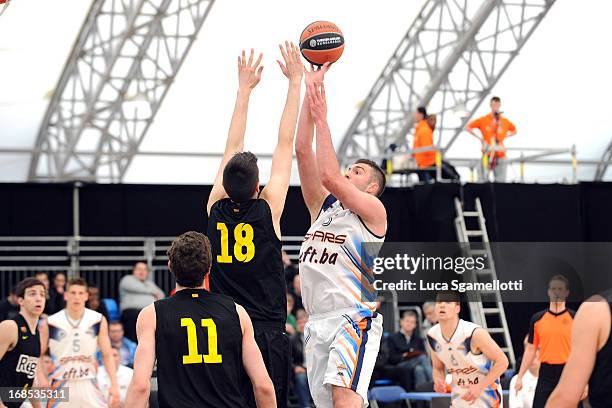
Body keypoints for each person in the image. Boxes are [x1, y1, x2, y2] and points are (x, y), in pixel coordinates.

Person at [205, 43, 303, 408]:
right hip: (264, 328)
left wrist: (243, 91)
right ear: (258, 186)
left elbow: (232, 145)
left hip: (227, 327)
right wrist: (296, 83)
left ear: (225, 184)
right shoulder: (269, 209)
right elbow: (285, 143)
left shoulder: (214, 206)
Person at [296, 67, 387, 408]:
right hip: (317, 321)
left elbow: (330, 175)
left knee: (344, 399)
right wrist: (311, 92)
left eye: (358, 172)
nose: (350, 173)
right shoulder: (323, 208)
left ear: (372, 187)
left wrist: (323, 118)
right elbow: (303, 152)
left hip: (352, 316)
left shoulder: (373, 213)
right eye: (350, 169)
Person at [124, 231, 276, 408]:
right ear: (209, 268)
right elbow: (263, 386)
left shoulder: (152, 314)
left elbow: (141, 387)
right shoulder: (237, 312)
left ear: (170, 266)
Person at [43, 278, 119, 408]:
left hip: (89, 382)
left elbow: (107, 354)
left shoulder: (98, 320)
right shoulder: (51, 322)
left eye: (80, 293)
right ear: (66, 295)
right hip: (61, 383)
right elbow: (37, 354)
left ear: (86, 296)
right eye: (72, 293)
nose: (76, 297)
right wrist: (41, 379)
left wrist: (114, 384)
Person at [428, 291, 508, 407]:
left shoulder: (474, 333)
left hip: (486, 396)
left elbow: (503, 362)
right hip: (459, 397)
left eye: (448, 302)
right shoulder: (433, 335)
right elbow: (438, 368)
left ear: (457, 309)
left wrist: (480, 386)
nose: (442, 305)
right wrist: (438, 381)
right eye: (439, 302)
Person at [514, 275, 576, 408]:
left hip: (568, 372)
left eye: (560, 289)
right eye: (553, 289)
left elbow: (582, 351)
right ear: (548, 292)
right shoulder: (538, 319)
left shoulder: (574, 318)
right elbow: (530, 349)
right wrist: (520, 377)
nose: (556, 292)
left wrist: (585, 381)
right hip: (546, 372)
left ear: (566, 293)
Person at [545, 288, 612, 408]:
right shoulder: (539, 318)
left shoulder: (595, 310)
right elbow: (530, 348)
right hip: (553, 370)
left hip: (574, 373)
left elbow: (564, 399)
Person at [0, 278, 46, 408]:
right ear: (21, 301)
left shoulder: (36, 334)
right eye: (32, 294)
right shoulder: (9, 327)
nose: (39, 298)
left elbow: (30, 379)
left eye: (42, 294)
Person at [466, 96, 517, 182]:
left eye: (497, 105)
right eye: (494, 105)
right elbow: (468, 127)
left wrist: (505, 137)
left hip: (500, 155)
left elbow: (514, 130)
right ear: (490, 105)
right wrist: (480, 139)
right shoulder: (483, 119)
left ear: (500, 105)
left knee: (500, 182)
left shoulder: (504, 121)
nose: (495, 107)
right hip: (487, 154)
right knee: (482, 180)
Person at [119, 262, 164, 342]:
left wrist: (154, 293)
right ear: (134, 271)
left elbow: (161, 294)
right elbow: (135, 287)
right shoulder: (128, 279)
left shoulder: (149, 283)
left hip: (149, 313)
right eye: (139, 269)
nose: (141, 272)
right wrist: (153, 293)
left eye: (144, 269)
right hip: (132, 313)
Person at [387, 311, 432, 390]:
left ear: (415, 325)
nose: (409, 324)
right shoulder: (392, 338)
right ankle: (435, 382)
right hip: (399, 364)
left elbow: (423, 352)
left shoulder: (418, 339)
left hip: (415, 364)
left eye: (412, 322)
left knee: (419, 369)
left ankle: (421, 397)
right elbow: (391, 358)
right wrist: (404, 355)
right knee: (422, 358)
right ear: (401, 322)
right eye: (407, 321)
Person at [509, 336, 540, 408]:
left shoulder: (556, 379)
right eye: (529, 350)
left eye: (538, 349)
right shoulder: (516, 381)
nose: (534, 354)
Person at [291, 311, 311, 408]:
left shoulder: (315, 337)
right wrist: (295, 367)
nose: (302, 325)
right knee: (301, 378)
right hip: (302, 369)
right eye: (300, 323)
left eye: (304, 323)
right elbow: (289, 359)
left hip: (314, 368)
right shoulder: (293, 339)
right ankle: (306, 406)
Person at [412, 106, 436, 182]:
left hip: (426, 165)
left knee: (426, 187)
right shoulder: (420, 129)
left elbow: (427, 148)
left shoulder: (423, 130)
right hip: (421, 164)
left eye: (416, 113)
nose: (414, 116)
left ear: (421, 114)